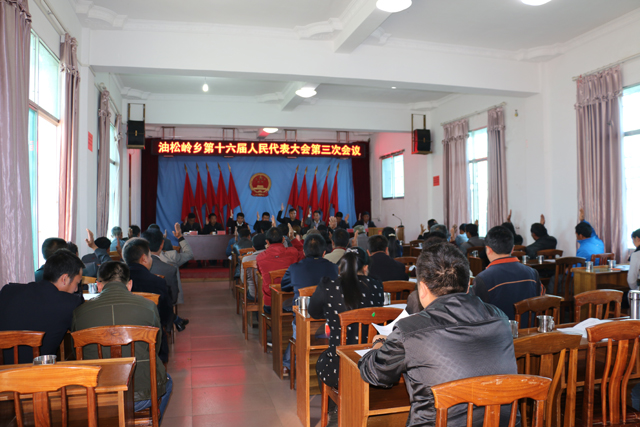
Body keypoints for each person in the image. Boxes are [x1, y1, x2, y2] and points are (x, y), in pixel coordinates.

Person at [358, 243, 518, 427]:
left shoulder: (410, 330)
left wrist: (378, 343)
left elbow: (375, 373)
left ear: (422, 288)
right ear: (468, 285)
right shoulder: (499, 317)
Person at [71, 261, 172, 421]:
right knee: (167, 382)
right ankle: (152, 421)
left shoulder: (79, 313)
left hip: (96, 397)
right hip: (142, 396)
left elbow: (76, 353)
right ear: (129, 284)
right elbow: (156, 346)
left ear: (98, 285)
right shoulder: (149, 307)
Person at [309, 247, 384, 423]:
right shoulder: (376, 286)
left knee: (322, 361)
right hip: (371, 364)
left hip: (338, 368)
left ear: (341, 266)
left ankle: (335, 411)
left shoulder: (328, 286)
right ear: (365, 267)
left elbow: (313, 312)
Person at [0, 249, 84, 363]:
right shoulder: (70, 303)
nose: (76, 289)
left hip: (3, 370)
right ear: (64, 279)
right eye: (77, 283)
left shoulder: (8, 291)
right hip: (39, 371)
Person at [281, 234, 339, 372]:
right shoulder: (333, 267)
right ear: (324, 252)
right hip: (328, 321)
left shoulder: (294, 268)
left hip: (303, 319)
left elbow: (284, 286)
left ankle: (288, 365)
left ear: (304, 251)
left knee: (296, 326)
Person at [471, 225, 543, 321]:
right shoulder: (532, 273)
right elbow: (541, 299)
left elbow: (476, 313)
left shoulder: (483, 278)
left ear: (488, 249)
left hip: (498, 330)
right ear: (513, 249)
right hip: (529, 329)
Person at [123, 238, 174, 362]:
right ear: (144, 258)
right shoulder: (158, 282)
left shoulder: (117, 282)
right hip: (153, 344)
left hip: (122, 341)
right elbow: (166, 317)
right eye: (150, 256)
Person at [142, 228, 189, 332]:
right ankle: (176, 320)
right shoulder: (169, 268)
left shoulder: (133, 266)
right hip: (160, 315)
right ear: (162, 244)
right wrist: (180, 237)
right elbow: (173, 299)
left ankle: (177, 320)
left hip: (138, 312)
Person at [256, 226, 304, 313]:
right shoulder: (293, 252)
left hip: (271, 303)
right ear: (283, 239)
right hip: (291, 301)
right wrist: (292, 238)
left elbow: (260, 273)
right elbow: (303, 251)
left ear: (267, 241)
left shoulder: (260, 257)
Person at [36, 230, 111, 281]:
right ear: (65, 253)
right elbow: (110, 268)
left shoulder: (35, 276)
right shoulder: (75, 271)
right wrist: (94, 247)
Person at [240, 233, 268, 300]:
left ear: (253, 247)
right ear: (267, 244)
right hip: (270, 294)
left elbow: (243, 280)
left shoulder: (245, 259)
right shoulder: (272, 257)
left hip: (254, 295)